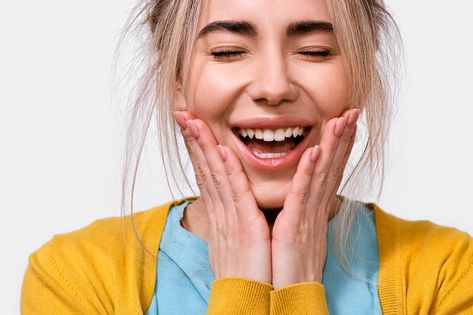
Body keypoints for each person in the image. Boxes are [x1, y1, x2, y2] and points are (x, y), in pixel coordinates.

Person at [21, 0, 473, 314]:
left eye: (314, 51)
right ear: (175, 79)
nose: (273, 87)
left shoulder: (447, 273)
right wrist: (245, 287)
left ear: (361, 74)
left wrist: (297, 285)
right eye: (228, 51)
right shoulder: (76, 276)